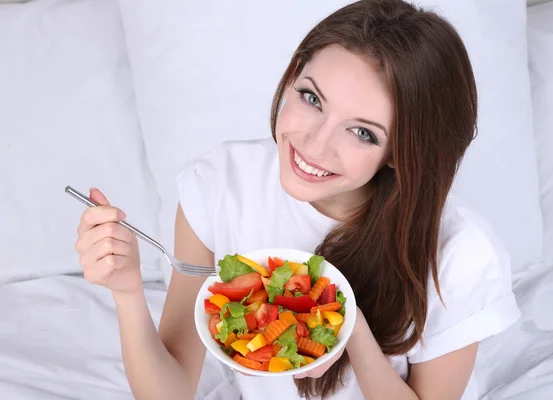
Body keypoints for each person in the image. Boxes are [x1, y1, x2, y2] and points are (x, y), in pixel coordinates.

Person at [74, 0, 521, 399]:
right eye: (311, 98)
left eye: (363, 132)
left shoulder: (461, 254)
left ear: (400, 153)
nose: (315, 145)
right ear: (292, 75)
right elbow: (169, 393)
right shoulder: (218, 186)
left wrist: (352, 333)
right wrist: (128, 292)